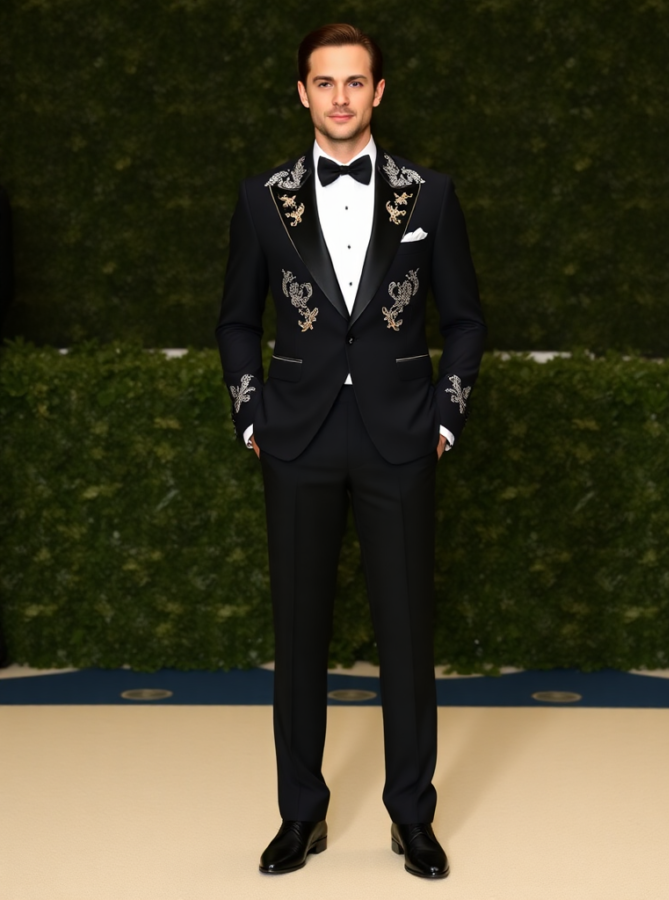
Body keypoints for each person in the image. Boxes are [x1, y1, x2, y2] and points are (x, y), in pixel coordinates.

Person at [216, 23, 486, 879]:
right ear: (302, 92)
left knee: (405, 638)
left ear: (378, 92)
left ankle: (413, 817)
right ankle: (301, 816)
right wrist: (250, 416)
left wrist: (444, 417)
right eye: (324, 83)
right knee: (297, 637)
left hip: (400, 436)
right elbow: (234, 321)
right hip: (293, 439)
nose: (339, 97)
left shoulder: (429, 196)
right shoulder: (261, 198)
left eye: (355, 82)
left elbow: (467, 321)